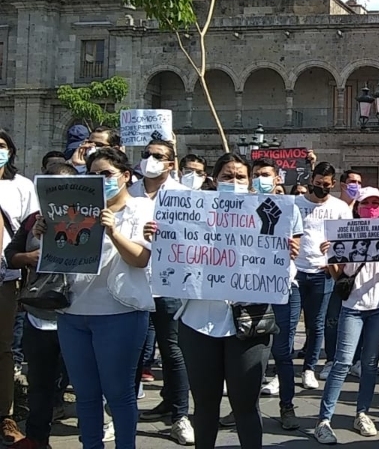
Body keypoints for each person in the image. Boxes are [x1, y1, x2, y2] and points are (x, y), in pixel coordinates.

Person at [163, 153, 290, 449]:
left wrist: (286, 254)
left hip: (249, 322)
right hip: (198, 321)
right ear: (214, 180)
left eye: (240, 177)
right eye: (227, 177)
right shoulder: (193, 216)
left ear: (251, 181)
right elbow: (173, 264)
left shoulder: (268, 216)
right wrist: (162, 238)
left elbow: (282, 276)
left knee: (246, 406)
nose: (233, 182)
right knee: (205, 406)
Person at [35, 148, 154, 449]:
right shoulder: (74, 207)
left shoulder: (141, 208)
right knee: (86, 395)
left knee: (119, 393)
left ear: (126, 176)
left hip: (120, 312)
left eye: (107, 175)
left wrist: (113, 231)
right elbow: (56, 256)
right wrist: (44, 232)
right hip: (73, 312)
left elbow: (140, 259)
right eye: (93, 176)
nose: (101, 182)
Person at [313, 187, 379, 444]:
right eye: (367, 203)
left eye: (376, 203)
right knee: (342, 362)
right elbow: (338, 276)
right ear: (358, 206)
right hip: (353, 307)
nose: (372, 207)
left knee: (370, 363)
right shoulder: (345, 231)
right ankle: (324, 419)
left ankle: (362, 413)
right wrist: (329, 255)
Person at [125, 139, 195, 444]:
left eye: (158, 156)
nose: (150, 160)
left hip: (169, 284)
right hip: (133, 280)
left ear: (170, 164)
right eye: (146, 155)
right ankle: (122, 413)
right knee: (132, 353)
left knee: (172, 351)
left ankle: (180, 415)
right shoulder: (128, 193)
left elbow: (195, 238)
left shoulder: (184, 196)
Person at [5, 163, 76, 449]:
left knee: (84, 383)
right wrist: (30, 256)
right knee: (40, 384)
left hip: (78, 316)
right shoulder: (34, 219)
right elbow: (11, 255)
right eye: (51, 187)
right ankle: (36, 438)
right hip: (39, 317)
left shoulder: (94, 219)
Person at [252, 157, 304, 430]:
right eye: (257, 174)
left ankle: (287, 406)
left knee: (282, 353)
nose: (261, 179)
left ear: (277, 180)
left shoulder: (290, 208)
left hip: (284, 288)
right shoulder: (240, 209)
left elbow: (295, 242)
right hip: (250, 290)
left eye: (266, 175)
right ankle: (246, 408)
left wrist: (292, 248)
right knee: (252, 354)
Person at [296, 162, 353, 385]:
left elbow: (347, 242)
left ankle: (309, 367)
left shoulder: (340, 208)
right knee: (289, 323)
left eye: (326, 185)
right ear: (311, 180)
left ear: (333, 185)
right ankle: (282, 371)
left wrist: (333, 259)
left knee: (317, 322)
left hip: (323, 272)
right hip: (295, 271)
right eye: (318, 183)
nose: (322, 187)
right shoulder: (295, 204)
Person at [0, 128, 39, 444]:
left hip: (5, 279)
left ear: (10, 151)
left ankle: (5, 415)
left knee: (4, 351)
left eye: (0, 145)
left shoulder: (22, 187)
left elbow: (32, 229)